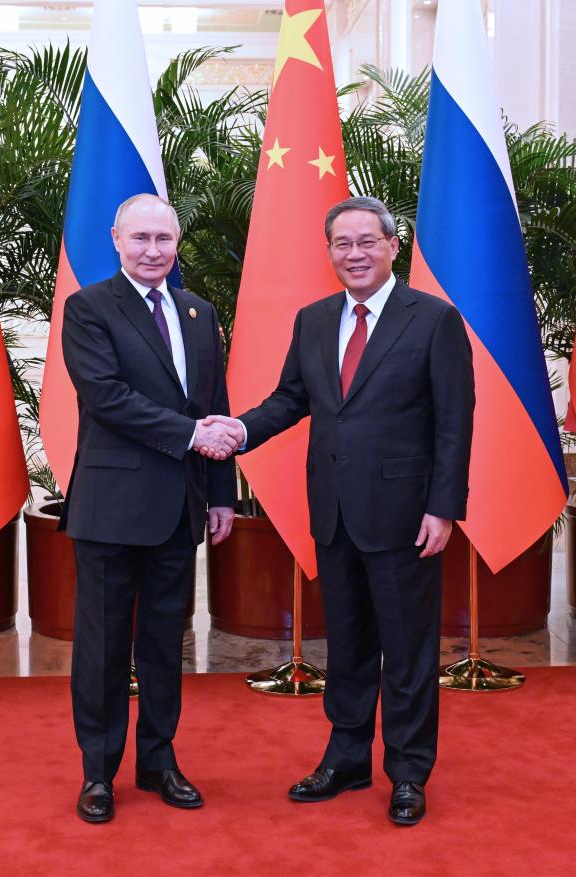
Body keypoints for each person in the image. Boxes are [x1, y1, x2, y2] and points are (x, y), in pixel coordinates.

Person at [203, 196, 474, 826]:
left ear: (392, 245)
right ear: (329, 252)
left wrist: (443, 508)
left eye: (366, 242)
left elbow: (455, 425)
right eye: (342, 244)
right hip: (333, 513)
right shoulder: (315, 320)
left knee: (406, 649)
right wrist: (238, 430)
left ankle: (408, 771)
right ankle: (347, 756)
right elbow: (290, 398)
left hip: (407, 516)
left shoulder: (433, 320)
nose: (354, 255)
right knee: (348, 644)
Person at [60, 193, 239, 823]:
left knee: (166, 644)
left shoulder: (198, 311)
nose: (153, 251)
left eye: (164, 239)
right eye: (141, 239)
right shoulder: (87, 309)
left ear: (177, 240)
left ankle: (160, 761)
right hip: (111, 509)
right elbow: (106, 398)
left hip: (179, 510)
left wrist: (222, 494)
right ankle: (98, 774)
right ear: (116, 238)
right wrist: (192, 437)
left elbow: (214, 404)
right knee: (103, 647)